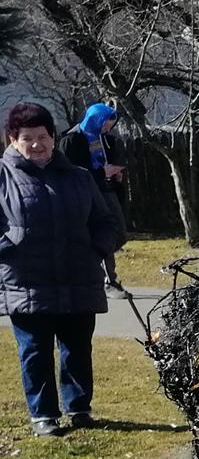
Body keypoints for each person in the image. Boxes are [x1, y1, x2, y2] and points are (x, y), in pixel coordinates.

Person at [1, 103, 125, 435]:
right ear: (13, 140)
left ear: (54, 138)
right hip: (27, 281)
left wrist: (96, 249)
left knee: (77, 348)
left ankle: (79, 408)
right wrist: (12, 241)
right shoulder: (3, 178)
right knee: (34, 351)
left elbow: (107, 222)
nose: (37, 144)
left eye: (43, 137)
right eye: (28, 138)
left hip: (77, 277)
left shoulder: (79, 177)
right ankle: (43, 415)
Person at [59, 102, 127, 287]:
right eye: (105, 124)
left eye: (109, 125)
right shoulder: (72, 140)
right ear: (95, 120)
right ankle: (107, 279)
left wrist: (115, 174)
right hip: (86, 194)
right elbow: (71, 171)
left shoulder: (106, 139)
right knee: (103, 233)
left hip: (107, 189)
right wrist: (102, 172)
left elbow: (106, 160)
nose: (107, 128)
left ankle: (91, 262)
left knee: (119, 234)